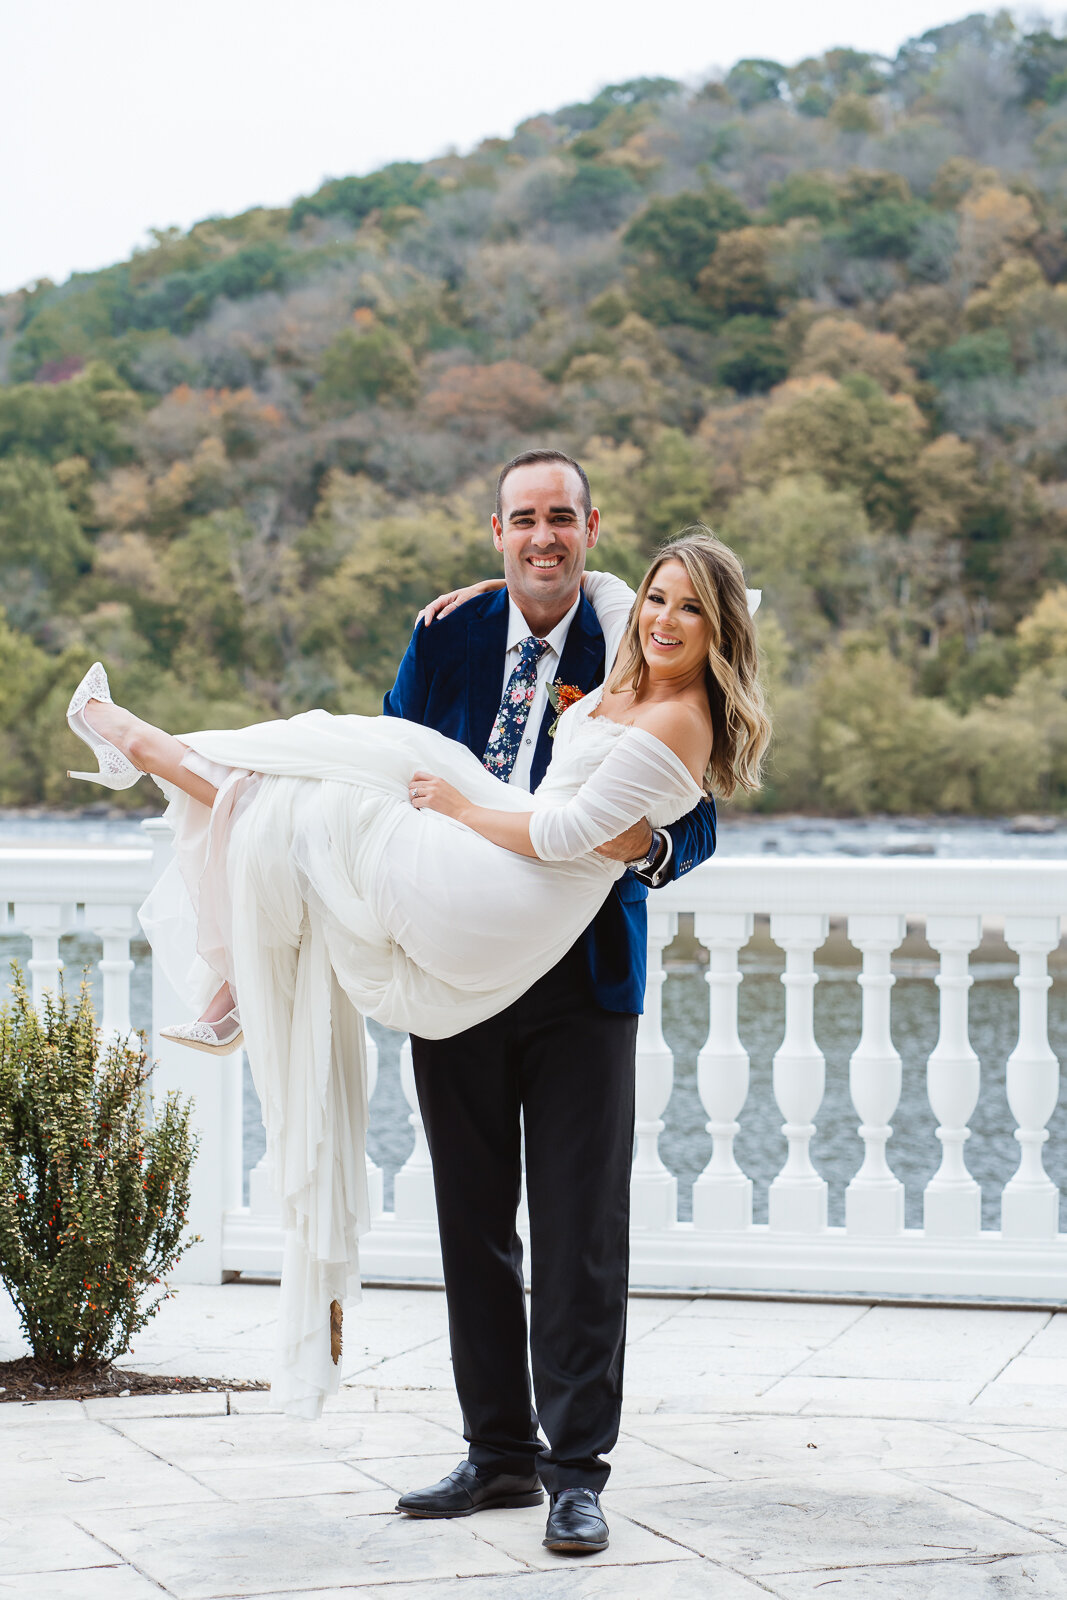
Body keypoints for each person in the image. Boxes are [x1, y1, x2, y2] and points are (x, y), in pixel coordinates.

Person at [64, 481, 767, 1554]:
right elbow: (386, 748)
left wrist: (650, 849)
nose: (541, 537)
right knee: (471, 1218)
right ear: (497, 534)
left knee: (580, 1232)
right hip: (454, 942)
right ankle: (499, 1456)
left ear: (589, 534)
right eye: (520, 521)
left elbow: (696, 807)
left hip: (580, 975)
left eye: (560, 520)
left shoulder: (634, 628)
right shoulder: (447, 633)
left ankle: (578, 1472)